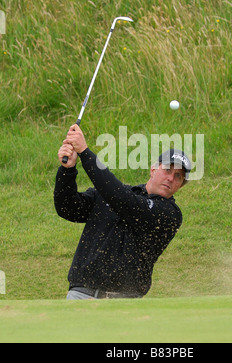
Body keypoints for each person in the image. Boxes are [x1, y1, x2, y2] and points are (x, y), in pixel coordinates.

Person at [54, 124, 191, 300]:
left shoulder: (169, 214)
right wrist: (67, 170)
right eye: (167, 170)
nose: (171, 178)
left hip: (124, 301)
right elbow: (68, 208)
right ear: (153, 169)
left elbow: (125, 202)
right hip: (81, 294)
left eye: (178, 176)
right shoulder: (111, 196)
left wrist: (85, 152)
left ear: (180, 185)